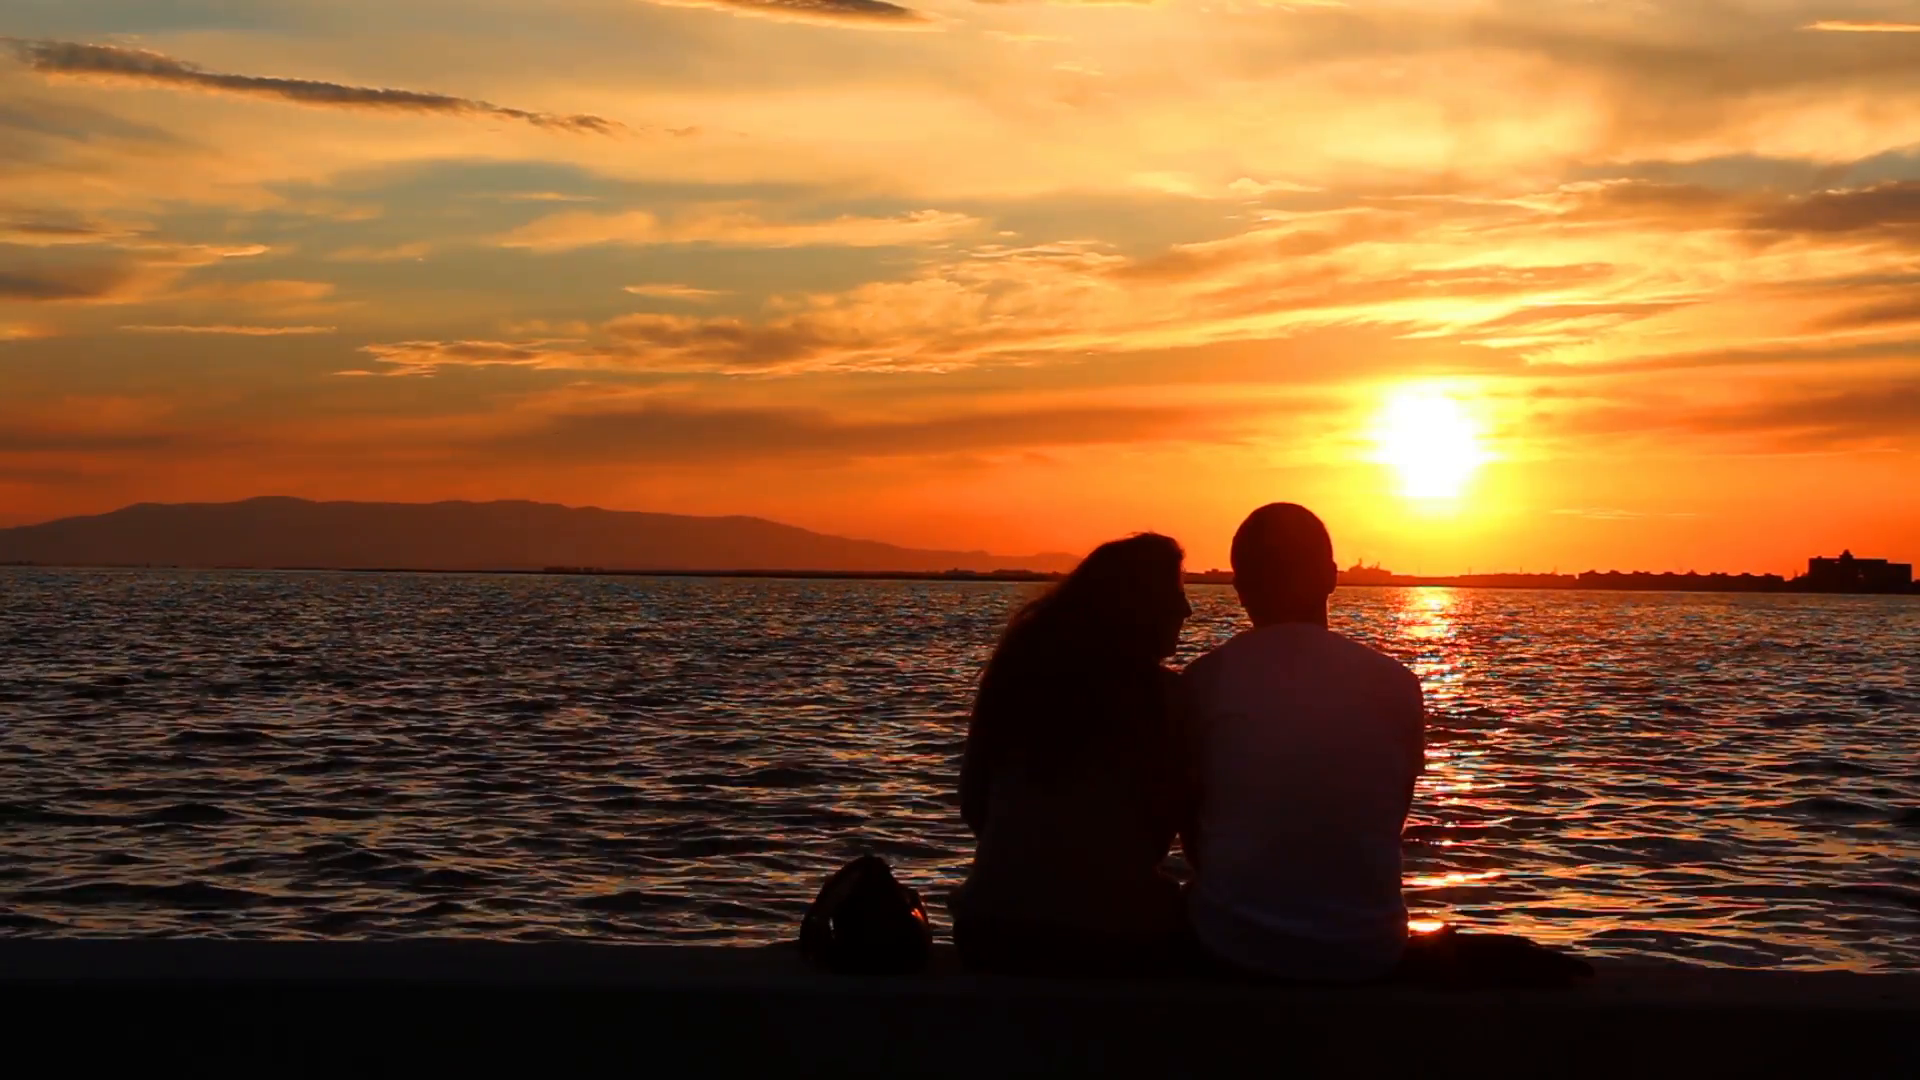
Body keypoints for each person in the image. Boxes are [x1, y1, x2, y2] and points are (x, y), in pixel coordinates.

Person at [1182, 503, 1426, 982]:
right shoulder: (1398, 683)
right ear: (1332, 577)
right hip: (1370, 948)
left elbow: (1193, 833)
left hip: (1233, 946)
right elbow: (1389, 817)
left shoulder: (1204, 681)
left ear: (1240, 587)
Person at [953, 533, 1197, 976]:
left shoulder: (1017, 677)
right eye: (1176, 595)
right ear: (1137, 606)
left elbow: (973, 805)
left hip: (988, 930)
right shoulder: (1164, 698)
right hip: (1112, 937)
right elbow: (1165, 830)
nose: (1187, 610)